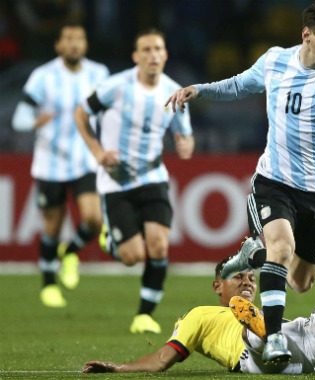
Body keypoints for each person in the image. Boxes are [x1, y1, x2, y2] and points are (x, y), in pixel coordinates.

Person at [165, 0, 315, 363]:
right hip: (273, 181)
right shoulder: (275, 60)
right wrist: (200, 89)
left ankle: (252, 256)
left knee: (301, 282)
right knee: (282, 248)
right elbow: (240, 85)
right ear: (307, 34)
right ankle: (273, 339)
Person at [82, 256, 315, 376]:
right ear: (217, 286)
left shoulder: (262, 309)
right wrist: (120, 369)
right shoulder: (198, 315)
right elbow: (164, 358)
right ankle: (265, 333)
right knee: (259, 329)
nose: (248, 280)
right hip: (252, 355)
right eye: (238, 277)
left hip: (295, 343)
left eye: (251, 276)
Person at [74, 28, 195, 334]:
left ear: (165, 54)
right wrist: (98, 151)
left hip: (153, 178)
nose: (153, 55)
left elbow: (186, 135)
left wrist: (186, 144)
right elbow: (80, 114)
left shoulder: (175, 93)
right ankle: (110, 240)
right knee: (132, 257)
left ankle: (144, 315)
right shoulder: (115, 87)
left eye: (158, 49)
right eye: (146, 50)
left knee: (158, 246)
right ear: (136, 56)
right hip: (116, 182)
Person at [11, 23, 109, 308]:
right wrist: (34, 121)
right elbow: (19, 118)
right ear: (58, 46)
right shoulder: (43, 77)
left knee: (93, 219)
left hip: (84, 159)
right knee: (51, 226)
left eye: (79, 38)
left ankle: (71, 251)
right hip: (50, 163)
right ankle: (49, 284)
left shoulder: (99, 74)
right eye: (68, 39)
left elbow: (108, 111)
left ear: (85, 45)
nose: (75, 43)